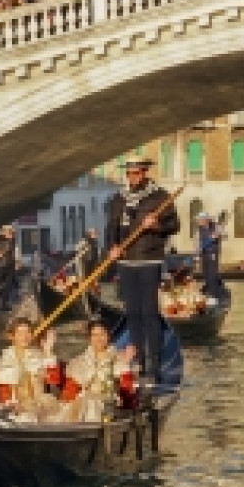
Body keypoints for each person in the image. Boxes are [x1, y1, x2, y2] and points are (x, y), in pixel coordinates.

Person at [105, 157, 179, 386]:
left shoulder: (160, 197)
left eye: (137, 173)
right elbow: (111, 227)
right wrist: (112, 247)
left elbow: (174, 226)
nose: (133, 177)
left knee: (149, 312)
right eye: (130, 174)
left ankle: (154, 363)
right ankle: (138, 359)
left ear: (145, 173)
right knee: (133, 313)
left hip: (150, 259)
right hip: (126, 262)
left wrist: (156, 226)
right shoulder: (118, 199)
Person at [61, 320, 136, 421]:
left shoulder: (118, 360)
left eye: (102, 334)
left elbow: (127, 391)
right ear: (90, 338)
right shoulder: (80, 361)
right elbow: (70, 391)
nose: (98, 339)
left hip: (110, 404)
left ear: (108, 336)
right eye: (95, 335)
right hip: (83, 406)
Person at [0, 318, 58, 423]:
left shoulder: (39, 355)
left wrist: (48, 352)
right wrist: (12, 404)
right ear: (12, 337)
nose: (25, 337)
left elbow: (53, 381)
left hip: (41, 405)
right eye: (20, 333)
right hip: (15, 408)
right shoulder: (7, 359)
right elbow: (4, 392)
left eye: (28, 332)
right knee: (25, 418)